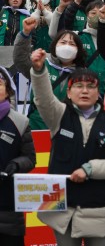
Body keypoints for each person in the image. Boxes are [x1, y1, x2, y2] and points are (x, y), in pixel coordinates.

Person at [30, 49, 105, 246]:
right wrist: (38, 71)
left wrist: (90, 169)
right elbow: (43, 99)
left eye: (90, 86)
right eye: (78, 86)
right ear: (68, 91)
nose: (85, 91)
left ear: (98, 91)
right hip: (61, 209)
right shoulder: (59, 115)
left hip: (99, 209)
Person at [0, 67, 35, 246]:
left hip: (9, 205)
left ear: (7, 90)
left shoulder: (20, 121)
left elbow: (30, 158)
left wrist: (16, 164)